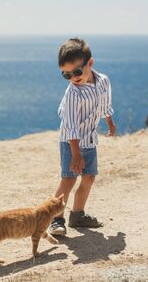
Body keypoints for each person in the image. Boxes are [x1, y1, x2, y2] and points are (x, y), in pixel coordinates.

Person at [49, 38, 116, 236]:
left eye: (77, 71)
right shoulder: (73, 94)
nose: (73, 77)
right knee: (68, 180)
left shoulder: (103, 81)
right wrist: (76, 154)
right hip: (71, 143)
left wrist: (110, 122)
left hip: (89, 139)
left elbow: (105, 104)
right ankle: (56, 218)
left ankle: (77, 215)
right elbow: (70, 127)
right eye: (66, 75)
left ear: (90, 63)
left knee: (89, 178)